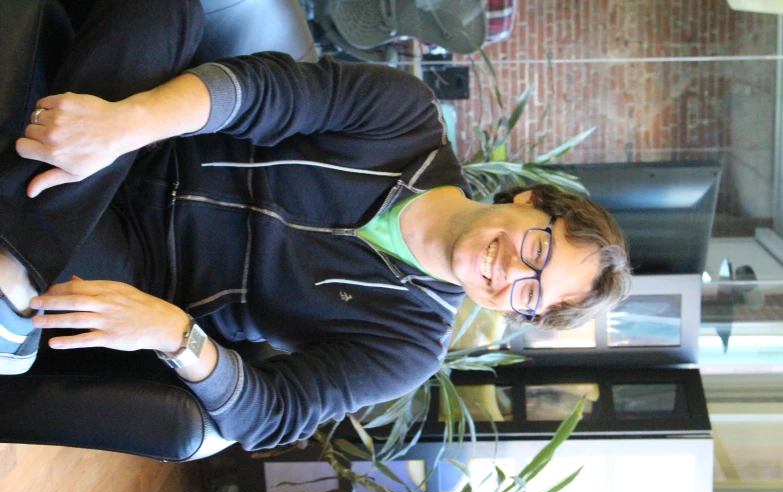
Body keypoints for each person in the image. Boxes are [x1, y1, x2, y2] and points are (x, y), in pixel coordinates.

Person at [0, 0, 631, 450]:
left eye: (530, 296)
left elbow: (278, 414)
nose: (513, 273)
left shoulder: (408, 348)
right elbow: (265, 90)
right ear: (527, 202)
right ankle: (17, 269)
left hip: (138, 262)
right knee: (172, 10)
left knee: (70, 255)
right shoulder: (406, 118)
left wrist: (177, 336)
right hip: (151, 140)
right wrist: (125, 127)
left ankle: (22, 249)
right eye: (538, 251)